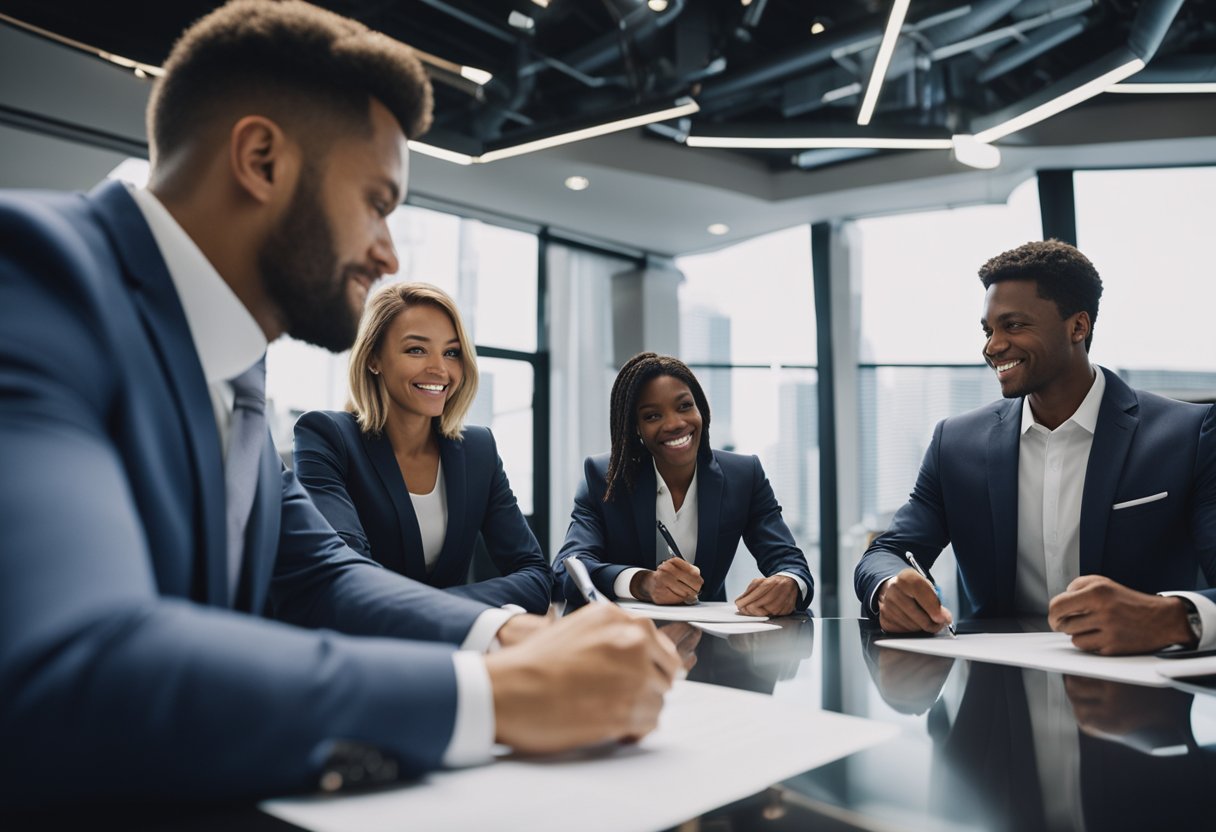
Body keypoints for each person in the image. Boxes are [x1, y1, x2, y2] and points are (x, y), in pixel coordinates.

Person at [0, 0, 679, 808]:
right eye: (377, 201)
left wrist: (515, 638)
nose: (388, 251)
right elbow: (77, 661)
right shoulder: (32, 273)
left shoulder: (238, 369)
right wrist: (495, 698)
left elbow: (323, 576)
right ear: (261, 159)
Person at [854, 240, 1216, 654]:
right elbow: (886, 552)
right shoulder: (954, 444)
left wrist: (1171, 616)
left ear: (1078, 327)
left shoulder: (1187, 435)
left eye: (1013, 325)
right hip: (996, 695)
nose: (992, 346)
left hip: (1139, 697)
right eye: (989, 330)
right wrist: (890, 585)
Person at [293, 282, 552, 613]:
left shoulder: (479, 449)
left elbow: (535, 576)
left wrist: (443, 607)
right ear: (373, 358)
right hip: (363, 649)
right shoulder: (327, 437)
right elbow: (349, 576)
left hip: (459, 646)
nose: (440, 369)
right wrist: (457, 606)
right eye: (416, 350)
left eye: (452, 352)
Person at [555, 352, 814, 615]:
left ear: (700, 409)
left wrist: (790, 583)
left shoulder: (745, 475)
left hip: (712, 640)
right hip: (625, 642)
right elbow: (568, 569)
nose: (675, 424)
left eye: (684, 406)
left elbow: (790, 563)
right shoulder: (604, 477)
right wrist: (643, 583)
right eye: (652, 416)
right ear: (635, 428)